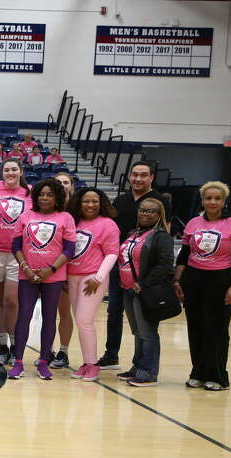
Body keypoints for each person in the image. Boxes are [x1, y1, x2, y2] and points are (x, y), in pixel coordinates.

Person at [175, 182, 231, 391]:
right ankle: (197, 373)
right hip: (194, 279)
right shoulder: (193, 223)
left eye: (217, 198)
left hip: (221, 280)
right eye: (208, 198)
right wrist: (177, 280)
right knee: (195, 328)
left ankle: (218, 377)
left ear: (224, 201)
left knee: (216, 329)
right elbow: (184, 255)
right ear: (203, 200)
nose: (212, 202)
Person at [100, 161, 172, 370]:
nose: (138, 179)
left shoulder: (160, 201)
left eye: (143, 175)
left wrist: (150, 277)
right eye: (135, 175)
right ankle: (112, 355)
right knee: (115, 311)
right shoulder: (121, 200)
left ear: (151, 178)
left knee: (145, 321)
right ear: (129, 177)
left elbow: (163, 237)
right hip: (120, 264)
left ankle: (145, 366)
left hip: (145, 271)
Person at [8, 179, 76, 380]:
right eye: (41, 194)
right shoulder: (25, 216)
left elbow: (69, 248)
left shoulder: (65, 217)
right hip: (26, 275)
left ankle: (44, 361)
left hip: (53, 276)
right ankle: (18, 362)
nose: (44, 198)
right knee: (24, 315)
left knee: (49, 317)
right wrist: (26, 268)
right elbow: (16, 245)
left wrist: (52, 269)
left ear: (57, 198)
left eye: (49, 194)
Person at [117, 198, 174, 387]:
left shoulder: (161, 236)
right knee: (137, 332)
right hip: (128, 289)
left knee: (148, 332)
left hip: (144, 291)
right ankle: (137, 367)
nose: (145, 214)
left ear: (159, 215)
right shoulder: (133, 233)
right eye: (142, 210)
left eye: (151, 211)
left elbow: (165, 264)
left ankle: (149, 372)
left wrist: (144, 283)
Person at [64, 187, 120, 382]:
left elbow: (113, 253)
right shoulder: (74, 222)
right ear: (79, 203)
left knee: (84, 319)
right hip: (73, 276)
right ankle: (87, 363)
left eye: (94, 201)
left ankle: (94, 364)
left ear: (101, 203)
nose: (90, 205)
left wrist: (98, 277)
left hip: (93, 277)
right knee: (80, 321)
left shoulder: (108, 224)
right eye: (86, 201)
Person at [0, 158, 31, 365]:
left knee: (11, 301)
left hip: (17, 252)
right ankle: (2, 345)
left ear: (21, 171)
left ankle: (15, 345)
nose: (11, 173)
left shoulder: (30, 192)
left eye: (14, 169)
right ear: (2, 172)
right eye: (7, 170)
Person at [50, 173, 76, 368]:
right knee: (48, 312)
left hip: (70, 267)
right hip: (48, 268)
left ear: (72, 187)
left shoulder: (78, 211)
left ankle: (64, 351)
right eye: (58, 182)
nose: (62, 185)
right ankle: (47, 350)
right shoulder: (46, 208)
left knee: (64, 311)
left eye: (65, 182)